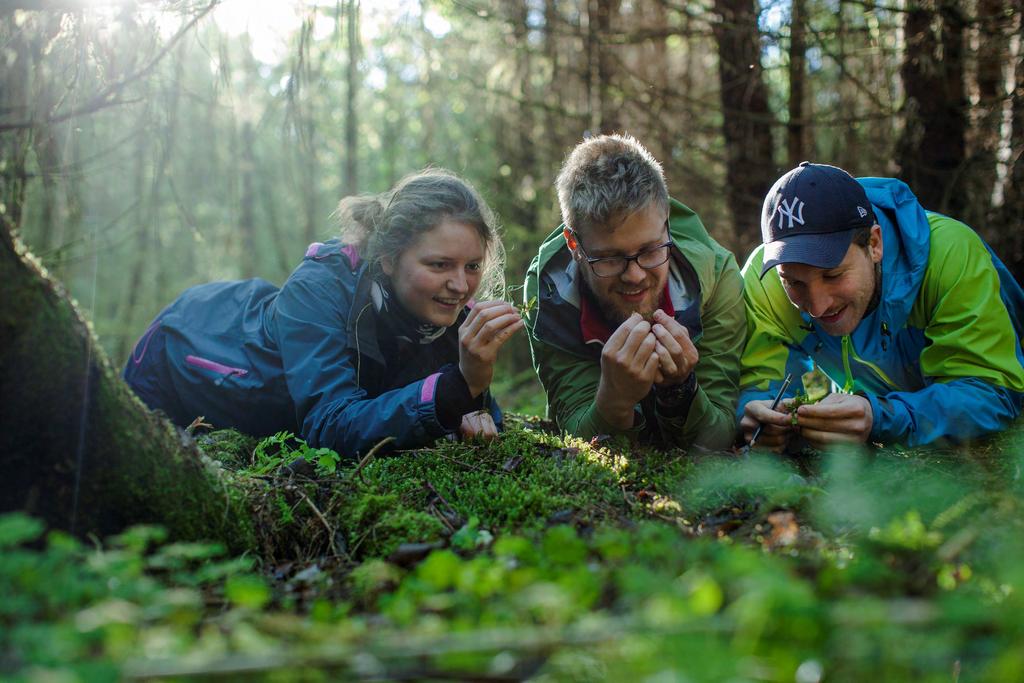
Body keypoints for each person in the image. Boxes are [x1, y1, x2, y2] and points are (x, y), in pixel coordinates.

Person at [124, 168, 524, 457]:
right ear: (387, 258)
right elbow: (328, 424)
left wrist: (477, 411)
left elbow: (466, 403)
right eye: (439, 265)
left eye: (472, 266)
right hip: (178, 354)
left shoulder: (449, 312)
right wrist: (457, 387)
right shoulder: (320, 287)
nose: (460, 285)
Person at [738, 162, 1024, 449]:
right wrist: (757, 413)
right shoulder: (766, 279)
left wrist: (883, 416)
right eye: (794, 283)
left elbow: (993, 390)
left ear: (874, 244)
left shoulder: (950, 256)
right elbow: (757, 384)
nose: (817, 307)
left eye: (833, 275)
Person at [523, 134, 746, 450]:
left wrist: (681, 390)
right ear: (574, 245)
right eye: (610, 258)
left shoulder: (716, 274)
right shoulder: (550, 290)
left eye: (651, 250)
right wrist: (613, 399)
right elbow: (573, 428)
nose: (635, 275)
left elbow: (720, 434)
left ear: (666, 221)